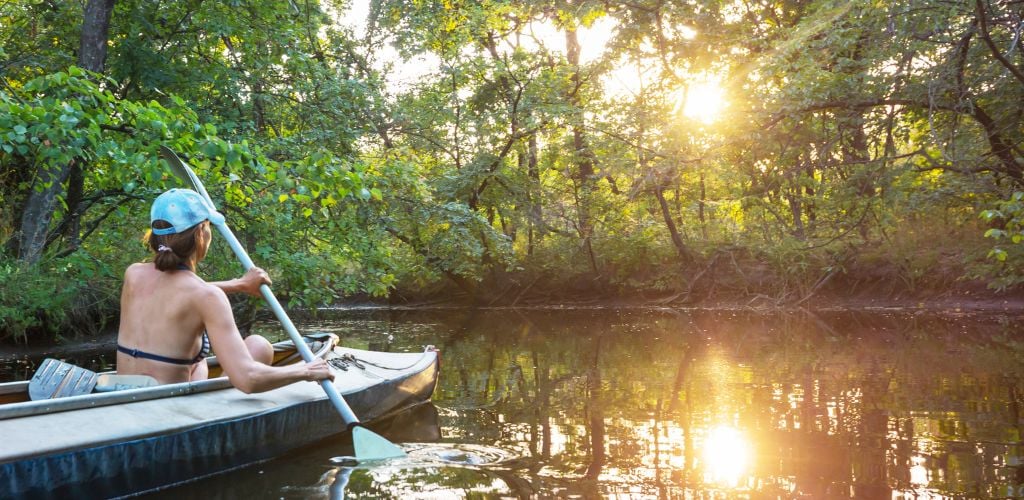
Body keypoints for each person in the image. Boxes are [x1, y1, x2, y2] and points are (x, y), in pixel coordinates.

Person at [116, 188, 333, 393]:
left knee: (246, 349)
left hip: (121, 392)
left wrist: (239, 284)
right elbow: (248, 380)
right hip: (166, 405)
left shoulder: (133, 274)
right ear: (202, 232)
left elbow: (176, 293)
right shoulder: (206, 297)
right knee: (257, 347)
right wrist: (306, 370)